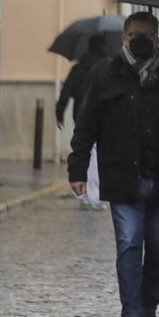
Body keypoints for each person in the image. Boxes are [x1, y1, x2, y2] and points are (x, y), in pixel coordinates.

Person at [67, 11, 159, 317]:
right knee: (129, 244)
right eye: (134, 35)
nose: (141, 40)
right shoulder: (105, 73)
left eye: (148, 35)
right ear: (125, 38)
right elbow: (86, 124)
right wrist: (78, 167)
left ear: (157, 38)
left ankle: (148, 307)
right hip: (123, 177)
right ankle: (131, 315)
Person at [56, 33, 108, 209]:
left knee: (83, 152)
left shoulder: (78, 69)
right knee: (96, 156)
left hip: (81, 116)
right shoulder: (107, 68)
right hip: (102, 118)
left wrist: (59, 113)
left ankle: (84, 194)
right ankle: (94, 195)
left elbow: (66, 91)